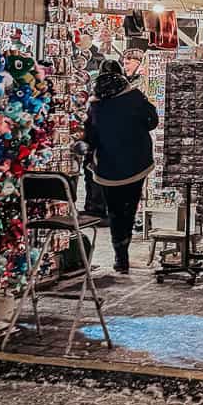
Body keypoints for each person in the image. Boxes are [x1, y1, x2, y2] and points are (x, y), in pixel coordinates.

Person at [82, 67, 159, 274]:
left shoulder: (96, 107)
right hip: (136, 164)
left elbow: (90, 136)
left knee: (115, 211)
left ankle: (120, 254)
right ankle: (123, 246)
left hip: (108, 168)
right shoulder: (134, 98)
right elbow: (152, 121)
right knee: (129, 207)